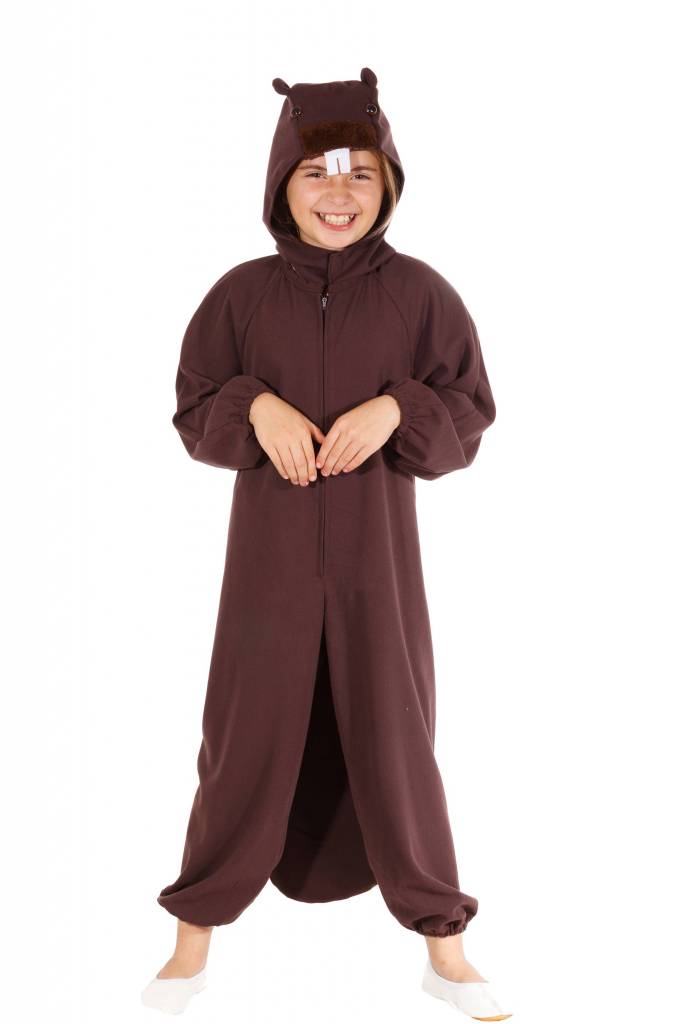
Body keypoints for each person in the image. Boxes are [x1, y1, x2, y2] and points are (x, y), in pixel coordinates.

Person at [142, 67, 512, 1019]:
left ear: (388, 183)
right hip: (264, 571)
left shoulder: (421, 295)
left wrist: (398, 408)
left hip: (378, 575)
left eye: (359, 174)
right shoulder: (240, 296)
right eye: (315, 172)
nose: (337, 193)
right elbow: (192, 410)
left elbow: (470, 413)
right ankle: (190, 946)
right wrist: (252, 405)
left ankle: (446, 951)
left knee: (399, 737)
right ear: (281, 182)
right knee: (240, 737)